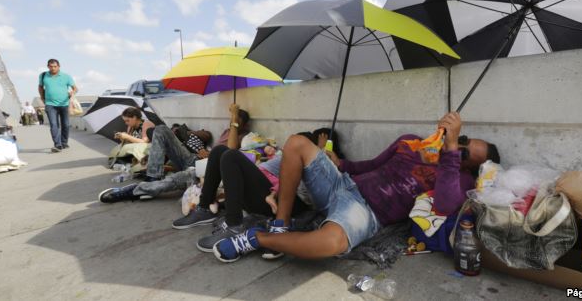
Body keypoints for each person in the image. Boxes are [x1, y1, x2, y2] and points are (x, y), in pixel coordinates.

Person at [212, 112, 500, 263]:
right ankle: (280, 226)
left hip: (366, 212)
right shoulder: (412, 141)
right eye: (463, 141)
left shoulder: (457, 178)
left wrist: (450, 150)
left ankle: (259, 239)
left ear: (469, 167)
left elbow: (446, 206)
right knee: (296, 143)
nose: (458, 146)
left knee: (330, 244)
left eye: (465, 152)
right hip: (344, 185)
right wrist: (342, 163)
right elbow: (372, 165)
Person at [172, 128, 344, 259]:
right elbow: (263, 171)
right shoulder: (283, 157)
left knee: (231, 156)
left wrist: (323, 155)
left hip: (288, 206)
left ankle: (234, 225)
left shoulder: (327, 169)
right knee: (220, 152)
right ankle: (204, 208)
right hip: (269, 195)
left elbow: (313, 192)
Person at [98, 104, 250, 203]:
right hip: (193, 158)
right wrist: (207, 151)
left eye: (234, 120)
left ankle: (135, 190)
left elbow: (230, 150)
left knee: (176, 179)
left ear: (239, 123)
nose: (230, 122)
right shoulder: (226, 131)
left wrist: (234, 118)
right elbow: (210, 139)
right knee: (161, 130)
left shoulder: (244, 136)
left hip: (206, 170)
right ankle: (153, 177)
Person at [38, 59, 77, 152]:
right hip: (50, 104)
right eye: (51, 66)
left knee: (66, 125)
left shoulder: (66, 76)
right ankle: (57, 145)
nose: (53, 68)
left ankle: (64, 142)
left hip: (64, 104)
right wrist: (42, 98)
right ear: (48, 67)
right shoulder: (43, 76)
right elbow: (40, 87)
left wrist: (72, 93)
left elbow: (75, 88)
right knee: (54, 125)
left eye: (55, 66)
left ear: (59, 66)